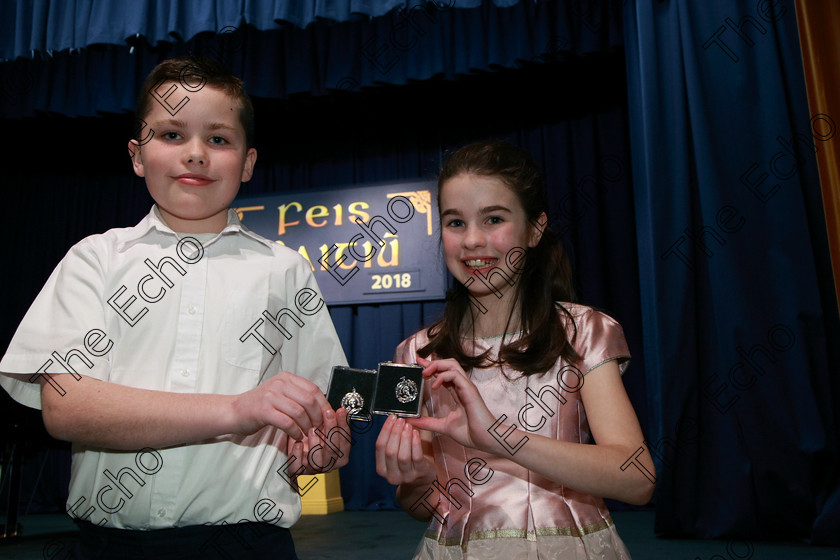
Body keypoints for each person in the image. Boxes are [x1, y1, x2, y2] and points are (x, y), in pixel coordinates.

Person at [0, 57, 351, 559]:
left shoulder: (286, 270)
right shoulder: (94, 259)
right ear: (137, 155)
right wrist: (235, 409)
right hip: (108, 547)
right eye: (170, 135)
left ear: (248, 162)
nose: (196, 154)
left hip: (248, 545)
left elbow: (319, 415)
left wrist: (320, 449)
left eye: (218, 139)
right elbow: (65, 407)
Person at [375, 140, 655, 559]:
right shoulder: (414, 353)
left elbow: (637, 480)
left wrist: (501, 438)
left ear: (536, 228)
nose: (472, 240)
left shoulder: (584, 331)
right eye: (455, 222)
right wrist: (412, 481)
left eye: (493, 219)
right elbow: (423, 506)